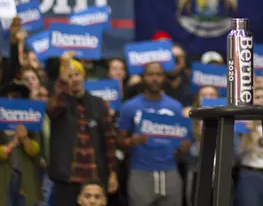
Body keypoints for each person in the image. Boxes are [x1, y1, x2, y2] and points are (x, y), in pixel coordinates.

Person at [46, 53, 118, 206]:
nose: (74, 79)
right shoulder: (59, 103)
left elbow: (109, 141)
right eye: (70, 76)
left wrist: (113, 173)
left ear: (83, 77)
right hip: (66, 177)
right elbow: (52, 109)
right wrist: (62, 79)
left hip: (95, 178)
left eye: (77, 74)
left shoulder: (99, 103)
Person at [117, 62, 189, 206]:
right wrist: (131, 142)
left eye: (159, 74)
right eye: (150, 74)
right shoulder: (129, 107)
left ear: (164, 78)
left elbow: (183, 144)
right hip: (140, 172)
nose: (155, 78)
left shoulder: (175, 107)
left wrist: (184, 148)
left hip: (170, 171)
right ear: (143, 78)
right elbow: (119, 142)